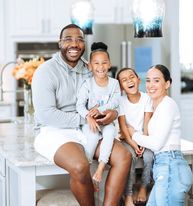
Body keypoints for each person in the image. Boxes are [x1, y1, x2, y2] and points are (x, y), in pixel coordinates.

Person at [32, 24, 131, 206]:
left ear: (84, 44)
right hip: (54, 130)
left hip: (87, 127)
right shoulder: (45, 72)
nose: (74, 44)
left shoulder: (90, 68)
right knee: (79, 166)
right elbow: (47, 115)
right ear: (59, 43)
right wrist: (86, 118)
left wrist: (112, 113)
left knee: (124, 157)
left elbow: (109, 95)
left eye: (79, 39)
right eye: (68, 39)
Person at [128, 64, 192, 206]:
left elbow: (157, 143)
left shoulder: (168, 105)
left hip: (170, 167)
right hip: (165, 167)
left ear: (167, 83)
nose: (151, 85)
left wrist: (133, 134)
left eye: (156, 80)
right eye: (148, 80)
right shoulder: (155, 106)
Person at [76, 42, 121, 184]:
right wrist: (88, 116)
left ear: (109, 64)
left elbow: (115, 102)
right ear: (90, 66)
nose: (100, 67)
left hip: (107, 121)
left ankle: (100, 169)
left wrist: (100, 110)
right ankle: (87, 172)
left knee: (109, 135)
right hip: (92, 121)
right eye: (96, 63)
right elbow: (79, 105)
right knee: (93, 138)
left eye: (104, 63)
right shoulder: (87, 84)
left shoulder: (114, 83)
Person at [116, 68, 153, 206]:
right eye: (124, 80)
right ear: (120, 86)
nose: (129, 81)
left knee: (149, 157)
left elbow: (147, 123)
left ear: (138, 80)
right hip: (127, 139)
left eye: (131, 77)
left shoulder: (146, 98)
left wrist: (143, 142)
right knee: (129, 158)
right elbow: (123, 127)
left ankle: (143, 187)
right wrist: (133, 144)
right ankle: (129, 194)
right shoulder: (120, 101)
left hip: (144, 137)